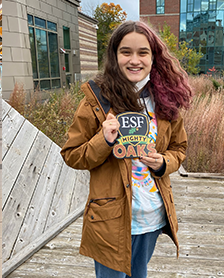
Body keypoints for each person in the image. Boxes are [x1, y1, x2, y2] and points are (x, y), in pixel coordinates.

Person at [60, 20, 193, 278]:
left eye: (143, 52)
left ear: (154, 57)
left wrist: (163, 162)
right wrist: (104, 140)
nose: (135, 60)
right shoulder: (96, 100)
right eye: (126, 52)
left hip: (152, 216)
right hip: (110, 220)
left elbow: (179, 148)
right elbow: (72, 154)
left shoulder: (165, 101)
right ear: (114, 56)